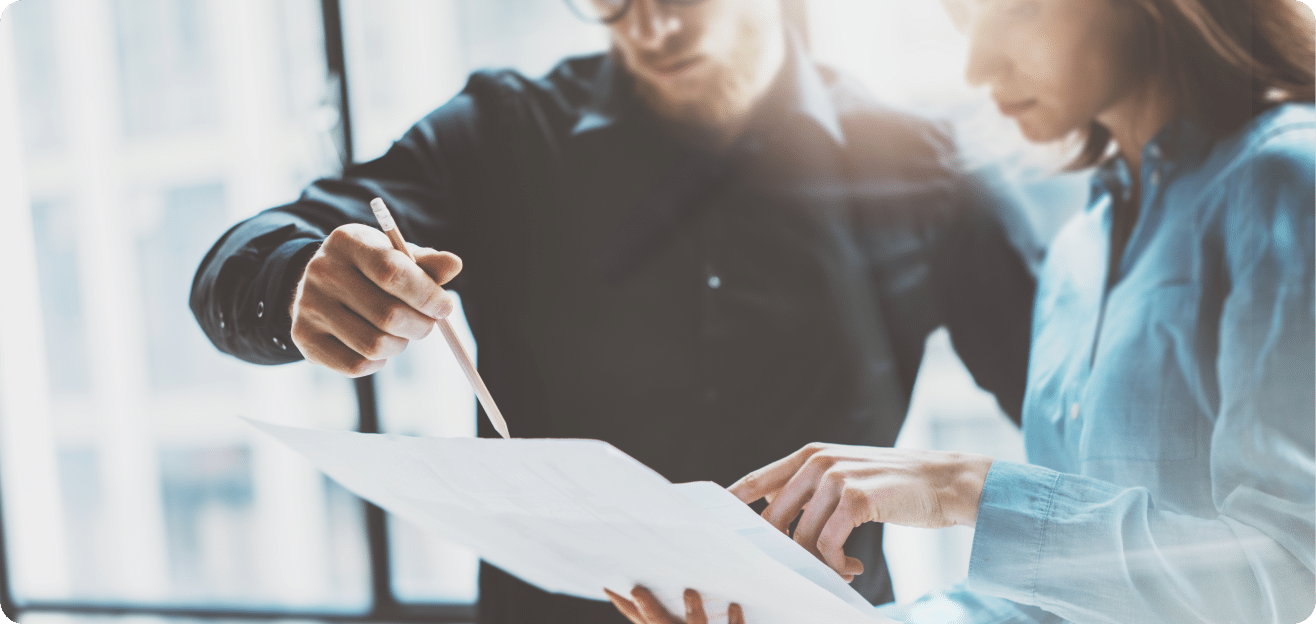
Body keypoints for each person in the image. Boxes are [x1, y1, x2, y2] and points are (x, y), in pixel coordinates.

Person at [190, 0, 1040, 622]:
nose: (649, 27)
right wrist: (298, 276)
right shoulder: (501, 134)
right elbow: (239, 262)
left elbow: (1073, 413)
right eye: (612, 1)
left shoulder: (927, 171)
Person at [609, 0, 1315, 622]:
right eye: (959, 21)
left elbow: (1285, 574)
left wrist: (959, 488)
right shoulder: (1081, 245)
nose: (977, 66)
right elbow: (1056, 605)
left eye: (1014, 10)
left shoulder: (1286, 180)